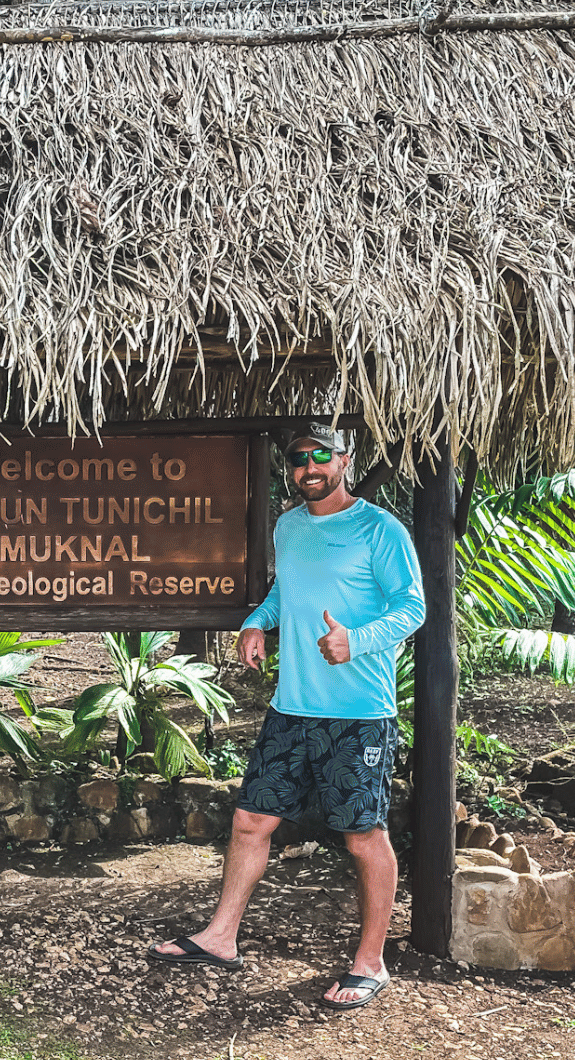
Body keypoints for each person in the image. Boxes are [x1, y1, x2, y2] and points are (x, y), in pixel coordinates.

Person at [149, 423, 424, 1011]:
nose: (309, 468)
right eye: (299, 459)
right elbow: (285, 591)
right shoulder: (290, 525)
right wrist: (256, 621)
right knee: (250, 821)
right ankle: (220, 939)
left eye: (321, 457)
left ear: (345, 461)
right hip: (291, 708)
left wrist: (359, 640)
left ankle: (371, 962)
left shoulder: (380, 529)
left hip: (357, 714)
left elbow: (413, 607)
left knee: (362, 834)